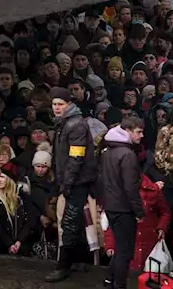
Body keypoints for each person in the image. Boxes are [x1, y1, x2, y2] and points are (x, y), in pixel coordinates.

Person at [46, 87, 96, 283]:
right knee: (75, 221)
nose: (57, 108)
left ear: (69, 105)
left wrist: (66, 184)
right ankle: (79, 260)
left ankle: (63, 266)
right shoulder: (66, 122)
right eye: (54, 104)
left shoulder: (75, 125)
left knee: (68, 222)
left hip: (77, 181)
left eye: (60, 104)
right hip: (74, 179)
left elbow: (76, 158)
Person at [99, 116, 146, 289]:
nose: (141, 135)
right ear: (127, 131)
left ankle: (109, 281)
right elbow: (130, 188)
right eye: (138, 132)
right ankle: (119, 285)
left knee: (120, 248)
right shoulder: (127, 154)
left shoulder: (108, 151)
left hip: (111, 205)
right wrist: (139, 212)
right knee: (125, 252)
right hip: (123, 208)